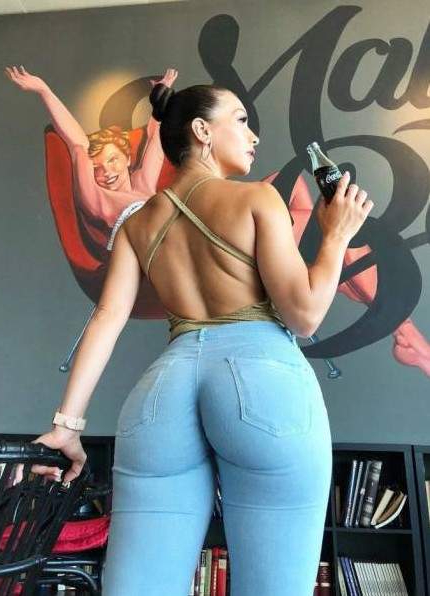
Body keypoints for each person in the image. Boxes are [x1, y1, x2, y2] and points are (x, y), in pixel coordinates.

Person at [23, 78, 373, 595]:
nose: (253, 135)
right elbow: (304, 315)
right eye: (241, 121)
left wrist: (65, 426)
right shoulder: (257, 199)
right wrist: (337, 234)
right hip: (262, 382)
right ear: (202, 131)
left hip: (164, 391)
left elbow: (106, 318)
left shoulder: (137, 224)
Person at [4, 65, 178, 257]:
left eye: (113, 160)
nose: (107, 172)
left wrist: (161, 96)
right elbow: (78, 145)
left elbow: (155, 137)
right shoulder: (97, 200)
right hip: (146, 261)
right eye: (97, 167)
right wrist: (44, 91)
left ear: (128, 158)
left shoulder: (143, 184)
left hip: (174, 251)